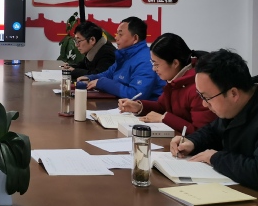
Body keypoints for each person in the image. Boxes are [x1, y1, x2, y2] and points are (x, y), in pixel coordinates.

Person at [171, 49, 258, 189]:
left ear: (233, 94)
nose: (204, 104)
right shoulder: (233, 107)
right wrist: (192, 142)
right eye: (201, 96)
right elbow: (213, 131)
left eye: (207, 97)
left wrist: (215, 158)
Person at [118, 33, 216, 134]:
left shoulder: (198, 87)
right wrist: (139, 107)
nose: (154, 69)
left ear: (175, 63)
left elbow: (201, 133)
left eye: (156, 64)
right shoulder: (176, 80)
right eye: (152, 63)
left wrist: (164, 118)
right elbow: (163, 107)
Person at [78, 17, 164, 100]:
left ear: (135, 38)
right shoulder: (125, 55)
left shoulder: (145, 61)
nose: (116, 38)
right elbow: (109, 74)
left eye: (120, 34)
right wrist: (90, 78)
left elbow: (136, 95)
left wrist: (102, 83)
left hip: (146, 108)